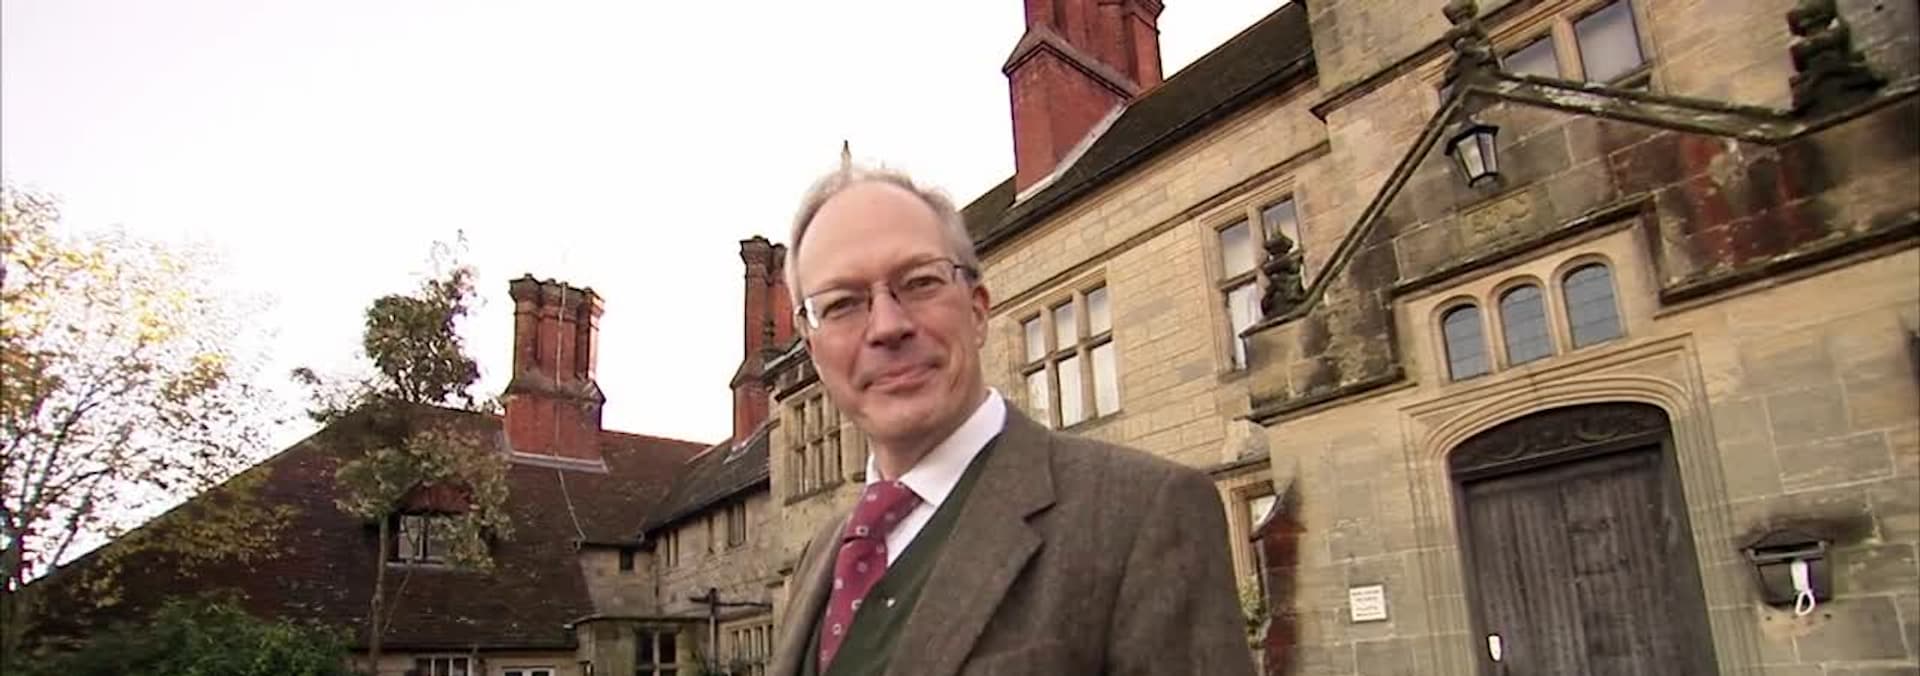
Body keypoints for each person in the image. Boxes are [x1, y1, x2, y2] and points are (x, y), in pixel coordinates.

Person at [767, 162, 1257, 676]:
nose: (887, 326)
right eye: (842, 304)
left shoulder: (1145, 512)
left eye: (920, 282)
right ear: (813, 350)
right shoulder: (821, 555)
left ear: (977, 311)